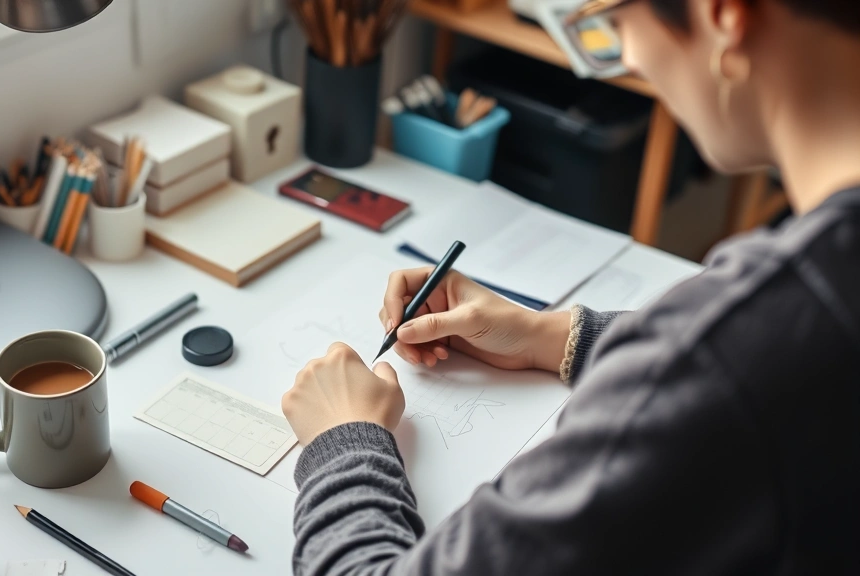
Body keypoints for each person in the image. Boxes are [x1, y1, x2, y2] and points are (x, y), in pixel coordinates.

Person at [280, 0, 860, 573]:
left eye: (614, 25)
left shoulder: (726, 351)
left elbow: (724, 364)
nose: (627, 56)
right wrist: (553, 336)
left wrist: (345, 442)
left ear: (723, 15)